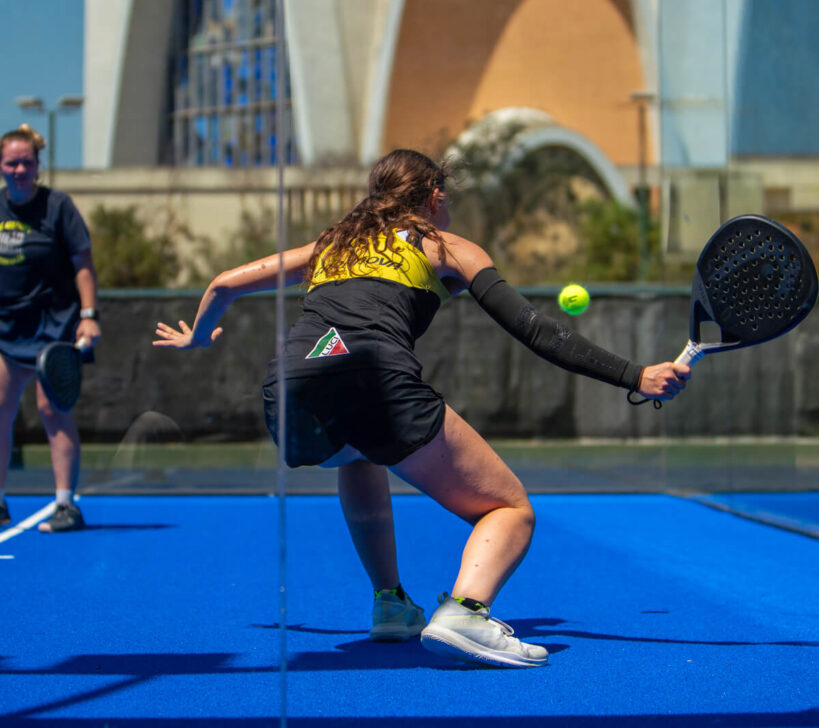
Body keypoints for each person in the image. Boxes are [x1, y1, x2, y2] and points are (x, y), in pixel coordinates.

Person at [153, 148, 689, 668]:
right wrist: (635, 375)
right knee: (509, 510)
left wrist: (198, 337)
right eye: (447, 196)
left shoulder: (332, 245)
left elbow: (223, 284)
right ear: (435, 197)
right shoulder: (447, 246)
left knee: (358, 453)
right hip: (374, 377)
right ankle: (467, 613)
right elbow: (535, 330)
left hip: (288, 392)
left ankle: (390, 602)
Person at [0, 125, 101, 532]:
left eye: (27, 162)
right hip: (8, 328)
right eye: (12, 163)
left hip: (54, 326)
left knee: (51, 410)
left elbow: (84, 265)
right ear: (1, 166)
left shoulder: (59, 207)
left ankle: (65, 506)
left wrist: (89, 315)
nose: (20, 169)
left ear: (37, 165)